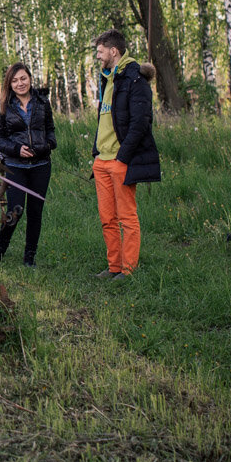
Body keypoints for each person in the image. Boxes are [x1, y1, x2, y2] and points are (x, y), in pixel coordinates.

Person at [90, 28, 160, 280]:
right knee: (107, 219)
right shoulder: (107, 78)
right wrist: (97, 154)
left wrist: (122, 157)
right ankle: (114, 267)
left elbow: (141, 122)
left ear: (113, 51)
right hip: (102, 162)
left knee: (126, 218)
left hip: (120, 161)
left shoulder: (135, 79)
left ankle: (128, 271)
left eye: (100, 52)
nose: (97, 57)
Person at [0, 62, 56, 268]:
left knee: (36, 211)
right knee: (15, 210)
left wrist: (47, 145)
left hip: (41, 165)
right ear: (9, 83)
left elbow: (50, 131)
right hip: (15, 166)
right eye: (15, 80)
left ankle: (29, 258)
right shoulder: (2, 106)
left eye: (23, 78)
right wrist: (16, 149)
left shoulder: (42, 103)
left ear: (30, 78)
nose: (20, 84)